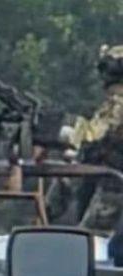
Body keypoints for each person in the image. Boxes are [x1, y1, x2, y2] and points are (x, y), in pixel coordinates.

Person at [59, 46, 123, 232]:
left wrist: (63, 132)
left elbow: (93, 136)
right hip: (103, 178)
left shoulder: (118, 104)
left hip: (114, 185)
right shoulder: (112, 103)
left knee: (89, 240)